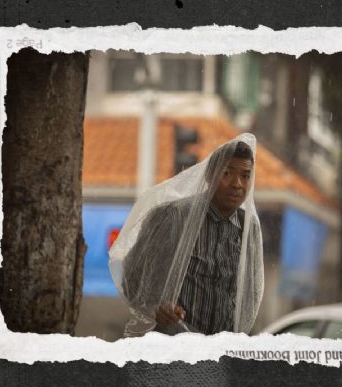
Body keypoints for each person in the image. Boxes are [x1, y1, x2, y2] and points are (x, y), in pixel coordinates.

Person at [109, 134, 264, 337]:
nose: (237, 184)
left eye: (245, 175)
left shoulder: (249, 228)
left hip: (222, 353)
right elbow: (132, 274)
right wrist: (156, 307)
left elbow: (250, 293)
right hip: (174, 350)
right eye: (227, 173)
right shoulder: (174, 217)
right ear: (209, 175)